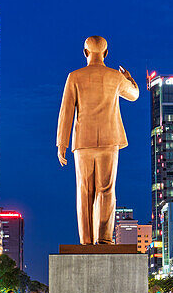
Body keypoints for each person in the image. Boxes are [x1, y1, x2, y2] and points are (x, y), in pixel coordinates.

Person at [56, 36, 139, 244]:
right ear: (106, 53)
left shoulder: (74, 76)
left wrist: (62, 143)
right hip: (110, 141)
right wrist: (129, 78)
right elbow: (134, 95)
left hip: (83, 142)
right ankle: (104, 239)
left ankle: (85, 241)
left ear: (85, 52)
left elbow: (65, 112)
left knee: (84, 191)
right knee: (107, 189)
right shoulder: (114, 76)